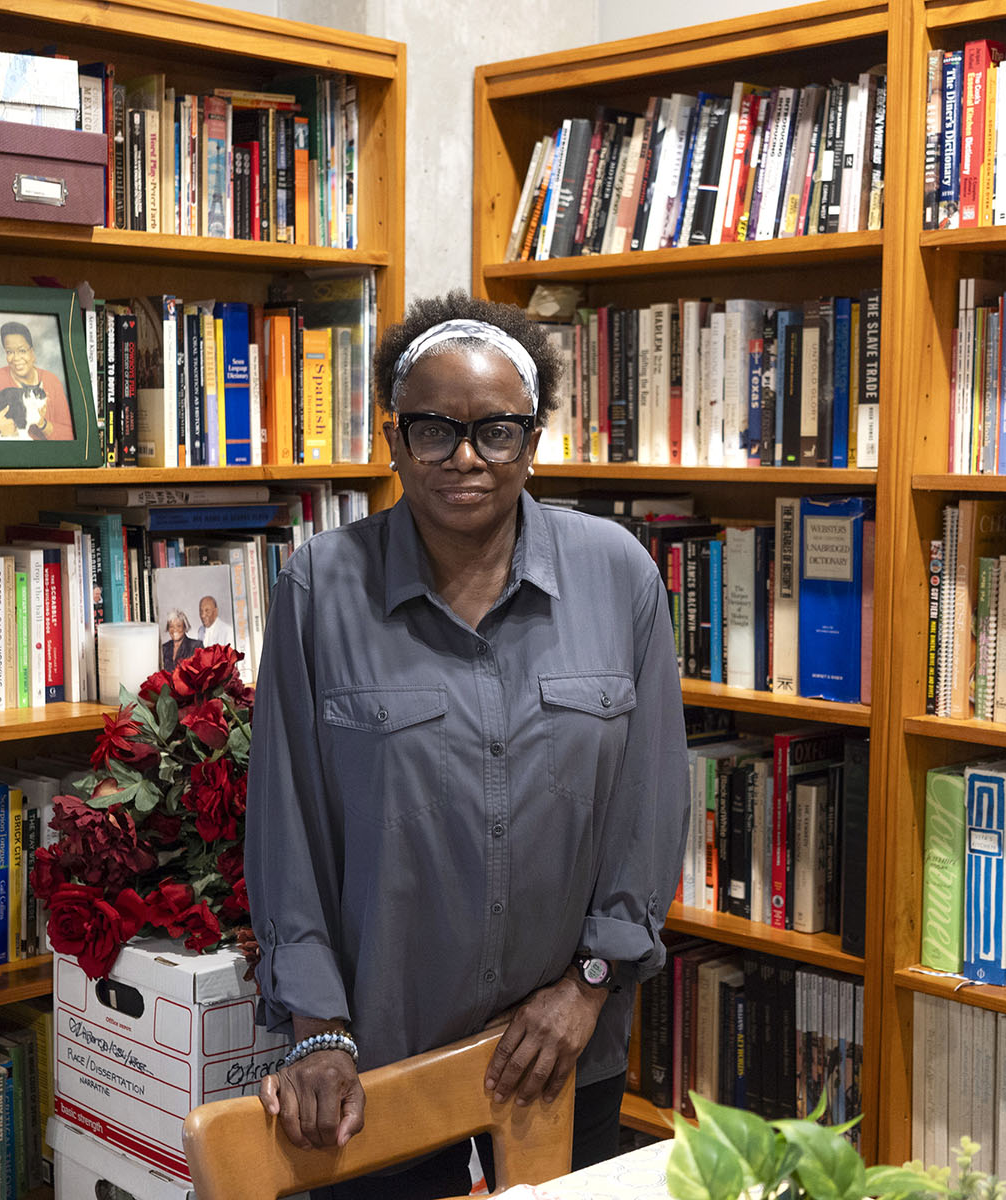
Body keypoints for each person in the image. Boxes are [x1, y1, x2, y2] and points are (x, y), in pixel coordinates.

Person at [248, 292, 689, 1199]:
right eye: (433, 430)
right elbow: (287, 831)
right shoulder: (320, 587)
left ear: (534, 442)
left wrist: (590, 985)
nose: (464, 460)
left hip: (565, 1043)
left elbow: (649, 808)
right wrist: (318, 1028)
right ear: (392, 438)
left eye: (495, 432)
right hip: (379, 1057)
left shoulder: (619, 574)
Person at [0, 320, 73, 441]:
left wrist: (42, 423)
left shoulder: (51, 381)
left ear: (32, 353)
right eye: (9, 352)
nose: (16, 358)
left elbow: (70, 436)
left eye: (22, 350)